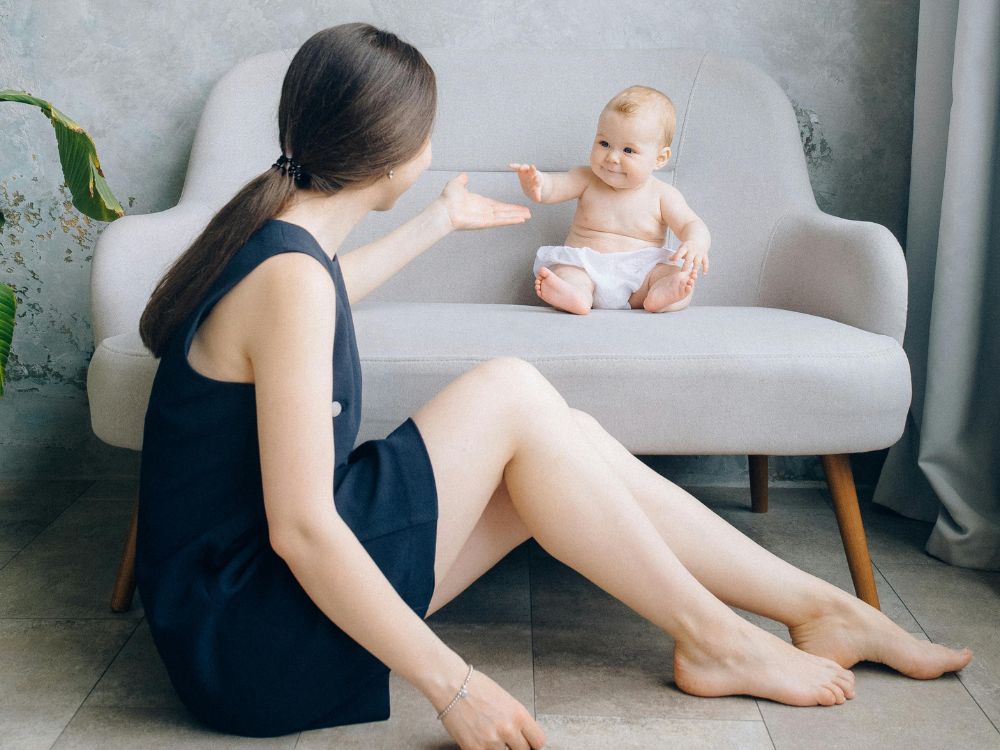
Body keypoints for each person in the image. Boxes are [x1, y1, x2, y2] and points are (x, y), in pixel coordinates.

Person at [135, 22, 973, 750]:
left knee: (557, 434)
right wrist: (454, 684)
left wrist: (437, 223)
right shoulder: (290, 279)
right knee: (511, 391)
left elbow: (321, 294)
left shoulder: (284, 251)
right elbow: (303, 531)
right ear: (393, 153)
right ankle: (720, 639)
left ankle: (818, 609)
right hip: (247, 640)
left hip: (245, 615)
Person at [510, 85, 709, 315]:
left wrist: (696, 243)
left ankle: (662, 294)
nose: (612, 157)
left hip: (641, 273)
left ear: (660, 158)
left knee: (674, 276)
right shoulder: (586, 178)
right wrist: (536, 183)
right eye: (604, 144)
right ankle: (575, 295)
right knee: (569, 272)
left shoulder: (663, 194)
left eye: (628, 150)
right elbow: (552, 189)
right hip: (587, 267)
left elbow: (690, 224)